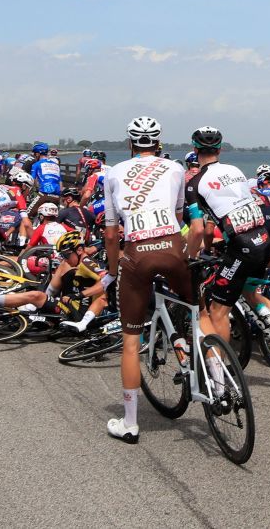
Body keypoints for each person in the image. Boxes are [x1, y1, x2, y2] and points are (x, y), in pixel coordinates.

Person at [101, 115, 187, 444]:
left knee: (130, 342)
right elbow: (178, 218)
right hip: (172, 247)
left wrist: (112, 270)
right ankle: (215, 377)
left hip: (136, 252)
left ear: (130, 143)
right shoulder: (176, 169)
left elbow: (111, 234)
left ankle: (130, 423)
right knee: (202, 311)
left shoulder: (114, 173)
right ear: (159, 142)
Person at [185, 126, 270, 345]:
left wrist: (189, 257)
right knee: (251, 292)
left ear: (195, 149)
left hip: (242, 247)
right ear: (220, 149)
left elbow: (197, 229)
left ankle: (219, 370)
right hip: (264, 239)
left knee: (217, 310)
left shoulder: (194, 184)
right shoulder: (235, 170)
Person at [0, 231, 109, 327]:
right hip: (68, 305)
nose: (65, 258)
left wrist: (80, 295)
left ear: (80, 250)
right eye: (62, 255)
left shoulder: (87, 263)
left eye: (66, 254)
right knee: (41, 290)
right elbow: (56, 284)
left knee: (35, 295)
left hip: (78, 312)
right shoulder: (72, 263)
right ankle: (31, 306)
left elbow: (106, 281)